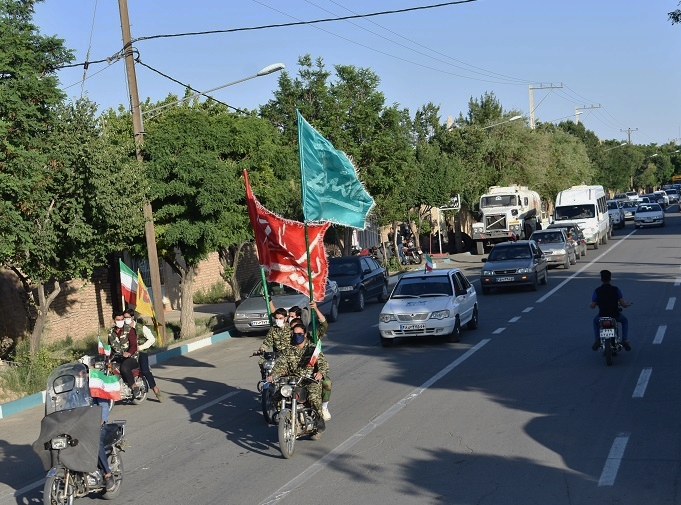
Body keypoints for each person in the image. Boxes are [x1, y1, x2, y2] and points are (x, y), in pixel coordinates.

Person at [266, 322, 330, 435]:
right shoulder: (288, 350)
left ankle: (318, 418)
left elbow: (323, 364)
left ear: (304, 334)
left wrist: (320, 373)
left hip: (309, 380)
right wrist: (273, 375)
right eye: (295, 334)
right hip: (292, 380)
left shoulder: (312, 349)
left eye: (299, 334)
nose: (297, 336)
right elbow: (280, 365)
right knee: (276, 397)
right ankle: (286, 418)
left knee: (313, 396)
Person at [290, 301, 332, 421]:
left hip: (312, 370)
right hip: (295, 373)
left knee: (326, 383)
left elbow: (324, 325)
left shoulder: (311, 335)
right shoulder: (289, 340)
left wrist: (316, 309)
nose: (296, 335)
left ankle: (323, 408)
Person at [122, 309, 164, 402]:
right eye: (124, 317)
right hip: (129, 353)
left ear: (132, 317)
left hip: (141, 352)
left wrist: (140, 347)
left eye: (127, 317)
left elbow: (152, 339)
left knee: (145, 370)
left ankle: (155, 389)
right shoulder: (123, 329)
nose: (125, 319)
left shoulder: (141, 328)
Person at [589, 269, 632, 351]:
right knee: (625, 321)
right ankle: (624, 340)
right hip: (615, 315)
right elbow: (623, 304)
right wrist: (628, 304)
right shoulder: (616, 289)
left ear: (601, 279)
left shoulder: (597, 291)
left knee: (595, 322)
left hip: (602, 315)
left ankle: (597, 339)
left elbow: (593, 306)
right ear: (610, 279)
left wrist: (590, 305)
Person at [107, 311, 140, 395]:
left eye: (122, 319)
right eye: (118, 320)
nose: (120, 321)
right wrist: (106, 356)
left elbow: (134, 345)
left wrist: (128, 353)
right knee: (107, 367)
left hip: (131, 357)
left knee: (124, 367)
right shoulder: (110, 332)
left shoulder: (129, 330)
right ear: (114, 320)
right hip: (117, 356)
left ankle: (134, 386)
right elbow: (109, 347)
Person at [92, 395, 116, 491]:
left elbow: (103, 405)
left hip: (97, 424)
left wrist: (101, 420)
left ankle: (107, 473)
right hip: (81, 426)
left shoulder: (95, 388)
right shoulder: (75, 390)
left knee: (96, 442)